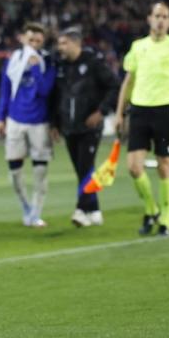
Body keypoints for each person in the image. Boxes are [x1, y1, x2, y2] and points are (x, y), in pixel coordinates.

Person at [114, 2, 169, 237]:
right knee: (134, 167)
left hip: (164, 111)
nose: (161, 20)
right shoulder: (137, 47)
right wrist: (119, 112)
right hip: (140, 111)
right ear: (149, 19)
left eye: (165, 16)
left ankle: (165, 220)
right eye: (157, 16)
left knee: (165, 166)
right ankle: (151, 209)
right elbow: (128, 82)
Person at [51, 28, 119, 227]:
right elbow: (56, 97)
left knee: (86, 166)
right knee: (82, 170)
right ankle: (95, 210)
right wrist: (55, 123)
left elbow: (114, 85)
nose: (60, 47)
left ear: (76, 43)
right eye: (59, 43)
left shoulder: (93, 63)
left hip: (90, 126)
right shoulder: (62, 67)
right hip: (69, 127)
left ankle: (81, 209)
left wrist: (101, 111)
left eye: (64, 43)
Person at [0, 23, 55, 228]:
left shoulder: (47, 60)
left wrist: (36, 67)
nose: (34, 45)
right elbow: (5, 89)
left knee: (40, 171)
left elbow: (45, 91)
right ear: (23, 39)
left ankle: (36, 213)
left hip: (39, 122)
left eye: (38, 42)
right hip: (15, 119)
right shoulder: (13, 61)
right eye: (31, 40)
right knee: (14, 169)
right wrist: (0, 118)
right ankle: (26, 207)